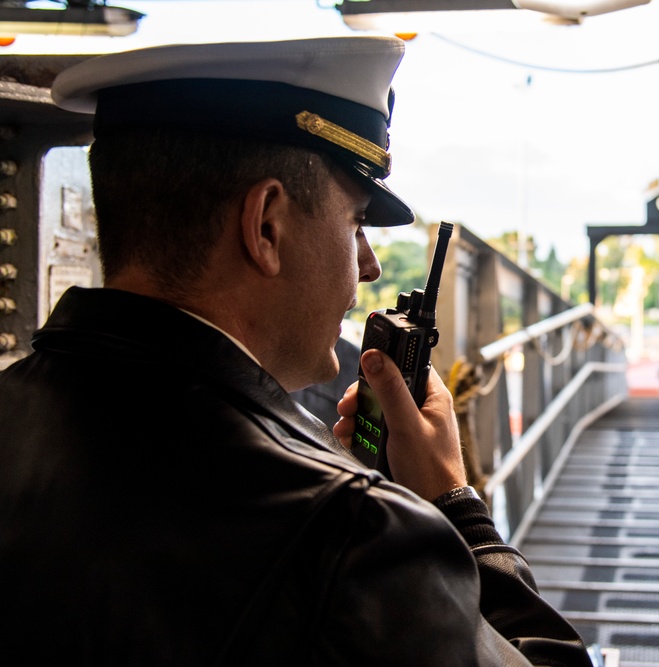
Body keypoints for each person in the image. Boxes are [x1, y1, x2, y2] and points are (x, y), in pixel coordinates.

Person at [0, 37, 591, 666]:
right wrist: (452, 502)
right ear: (266, 227)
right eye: (355, 225)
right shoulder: (357, 533)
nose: (368, 267)